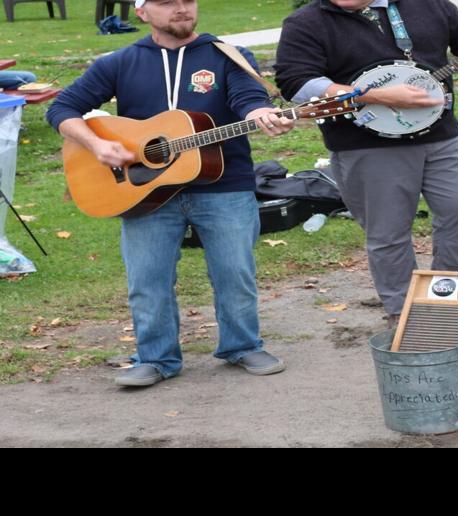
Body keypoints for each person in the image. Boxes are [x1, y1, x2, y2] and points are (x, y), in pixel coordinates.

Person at [47, 0, 295, 388]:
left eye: (187, 1)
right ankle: (156, 357)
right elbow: (63, 108)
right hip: (143, 190)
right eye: (167, 2)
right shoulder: (120, 61)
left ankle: (243, 346)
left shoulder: (227, 55)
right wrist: (95, 144)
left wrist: (258, 115)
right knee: (147, 280)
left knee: (235, 273)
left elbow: (248, 99)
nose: (181, 9)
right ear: (142, 12)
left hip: (224, 185)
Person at [275, 0, 458, 331]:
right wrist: (371, 95)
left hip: (441, 135)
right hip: (365, 145)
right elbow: (296, 82)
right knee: (388, 232)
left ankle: (449, 305)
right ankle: (403, 311)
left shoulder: (426, 3)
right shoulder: (307, 22)